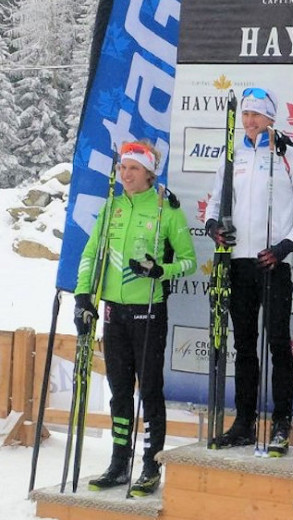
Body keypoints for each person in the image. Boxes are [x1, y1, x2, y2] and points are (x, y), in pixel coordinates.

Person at [74, 139, 196, 496]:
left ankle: (150, 464)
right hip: (113, 310)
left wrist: (160, 270)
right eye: (123, 167)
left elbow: (188, 261)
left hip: (148, 311)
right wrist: (83, 296)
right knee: (119, 391)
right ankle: (118, 461)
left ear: (149, 174)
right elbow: (91, 253)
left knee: (151, 391)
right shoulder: (111, 207)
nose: (126, 174)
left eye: (134, 168)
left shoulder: (166, 210)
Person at [205, 87, 293, 455]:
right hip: (237, 264)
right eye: (246, 114)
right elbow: (212, 205)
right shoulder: (231, 153)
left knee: (278, 344)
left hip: (272, 264)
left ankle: (282, 421)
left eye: (258, 114)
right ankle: (244, 422)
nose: (250, 121)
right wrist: (214, 228)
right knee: (243, 345)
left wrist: (285, 246)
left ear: (272, 118)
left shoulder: (289, 154)